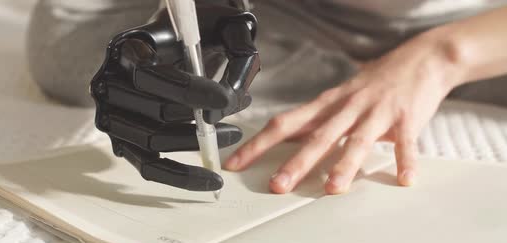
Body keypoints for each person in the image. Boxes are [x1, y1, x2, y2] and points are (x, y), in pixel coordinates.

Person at [27, 0, 507, 194]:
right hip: (286, 7)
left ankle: (398, 70)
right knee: (77, 57)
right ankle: (361, 70)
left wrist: (445, 55)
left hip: (476, 20)